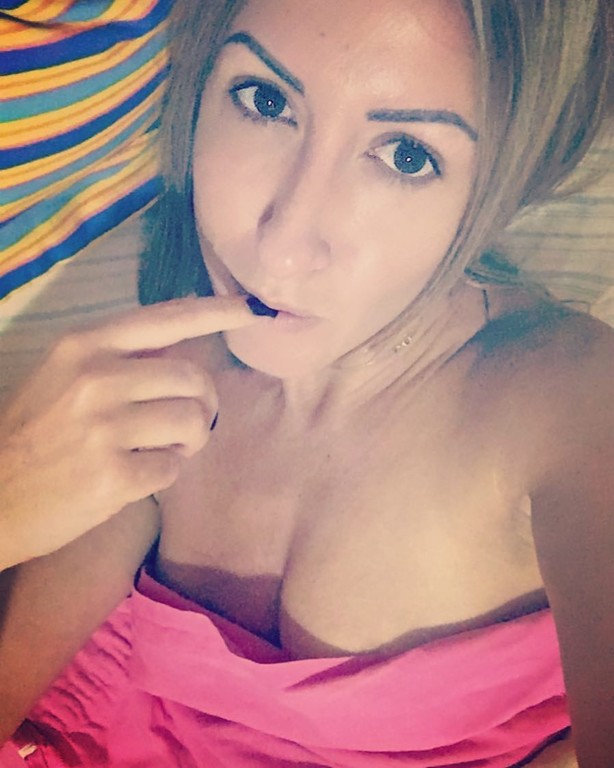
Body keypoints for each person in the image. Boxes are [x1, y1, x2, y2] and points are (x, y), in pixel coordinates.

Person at [0, 0, 612, 766]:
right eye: (265, 100)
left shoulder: (569, 403)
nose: (284, 247)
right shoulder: (160, 369)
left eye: (407, 156)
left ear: (500, 189)